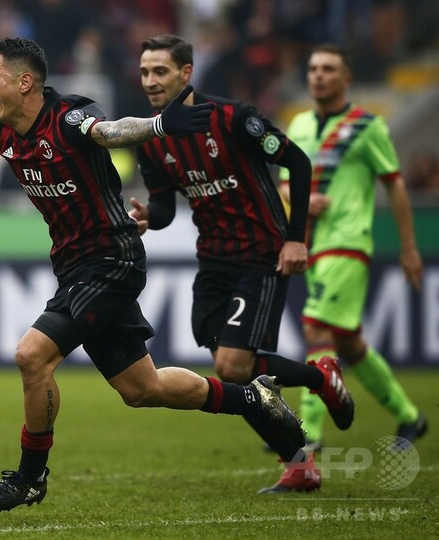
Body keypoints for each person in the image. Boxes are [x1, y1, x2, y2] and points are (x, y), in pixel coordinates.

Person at [0, 37, 305, 512]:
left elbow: (110, 132)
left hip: (111, 261)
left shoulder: (67, 118)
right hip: (74, 267)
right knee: (141, 389)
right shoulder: (0, 126)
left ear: (25, 82)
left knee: (31, 356)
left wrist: (157, 125)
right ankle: (253, 399)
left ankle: (29, 477)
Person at [128, 34, 355, 494]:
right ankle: (301, 462)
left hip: (261, 253)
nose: (150, 81)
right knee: (242, 372)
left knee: (234, 367)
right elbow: (166, 205)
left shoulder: (233, 119)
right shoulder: (150, 140)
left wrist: (295, 239)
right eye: (145, 72)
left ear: (186, 73)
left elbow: (298, 163)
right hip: (213, 259)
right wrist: (149, 216)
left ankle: (319, 381)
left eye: (160, 71)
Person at [280, 43, 427, 449]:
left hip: (347, 241)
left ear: (346, 78)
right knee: (348, 342)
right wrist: (300, 198)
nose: (318, 75)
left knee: (315, 327)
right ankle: (410, 416)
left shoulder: (367, 127)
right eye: (313, 68)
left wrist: (409, 248)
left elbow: (395, 184)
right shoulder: (299, 125)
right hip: (311, 244)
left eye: (328, 69)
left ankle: (308, 433)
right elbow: (284, 184)